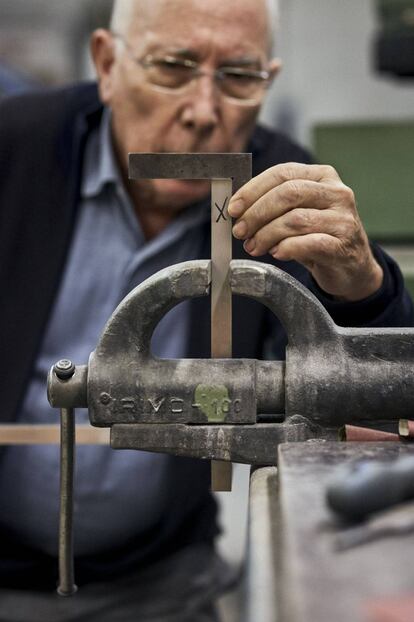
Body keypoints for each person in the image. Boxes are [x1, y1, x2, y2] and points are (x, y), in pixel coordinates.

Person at [0, 0, 412, 620]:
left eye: (239, 79)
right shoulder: (17, 150)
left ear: (267, 81)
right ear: (108, 64)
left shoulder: (277, 186)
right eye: (173, 67)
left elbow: (374, 399)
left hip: (165, 581)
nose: (202, 112)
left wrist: (360, 282)